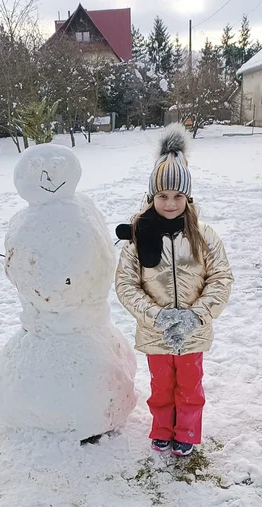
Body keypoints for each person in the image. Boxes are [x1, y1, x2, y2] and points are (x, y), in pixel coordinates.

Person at [115, 124, 233, 457]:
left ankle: (188, 431)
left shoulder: (204, 235)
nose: (170, 203)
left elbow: (221, 277)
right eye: (162, 196)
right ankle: (163, 429)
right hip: (156, 331)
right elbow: (126, 283)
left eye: (177, 196)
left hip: (193, 332)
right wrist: (157, 315)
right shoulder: (138, 237)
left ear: (188, 196)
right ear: (152, 196)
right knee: (162, 385)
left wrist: (197, 315)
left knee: (190, 386)